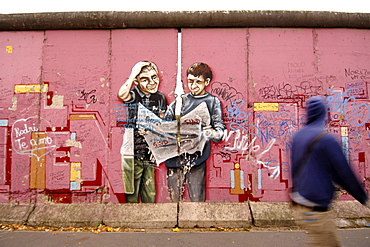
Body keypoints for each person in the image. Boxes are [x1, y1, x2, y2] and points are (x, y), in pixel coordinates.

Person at [290, 96, 370, 246]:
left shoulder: (298, 136)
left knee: (318, 241)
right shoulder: (326, 139)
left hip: (301, 203)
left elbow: (294, 170)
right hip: (317, 206)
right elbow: (344, 174)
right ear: (323, 114)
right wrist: (363, 198)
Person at [164, 62, 225, 202]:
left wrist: (213, 133)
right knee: (174, 202)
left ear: (207, 82)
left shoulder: (212, 101)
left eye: (198, 82)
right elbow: (164, 125)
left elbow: (219, 130)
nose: (193, 86)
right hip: (175, 158)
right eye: (190, 81)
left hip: (197, 159)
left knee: (197, 201)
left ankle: (197, 223)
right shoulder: (180, 101)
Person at [118, 61, 167, 203]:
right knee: (132, 191)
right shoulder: (133, 94)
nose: (152, 82)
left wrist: (157, 146)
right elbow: (122, 94)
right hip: (132, 149)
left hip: (150, 150)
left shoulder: (160, 98)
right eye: (145, 79)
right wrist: (133, 74)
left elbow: (161, 123)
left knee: (149, 192)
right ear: (137, 81)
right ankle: (131, 221)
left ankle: (148, 220)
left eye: (154, 77)